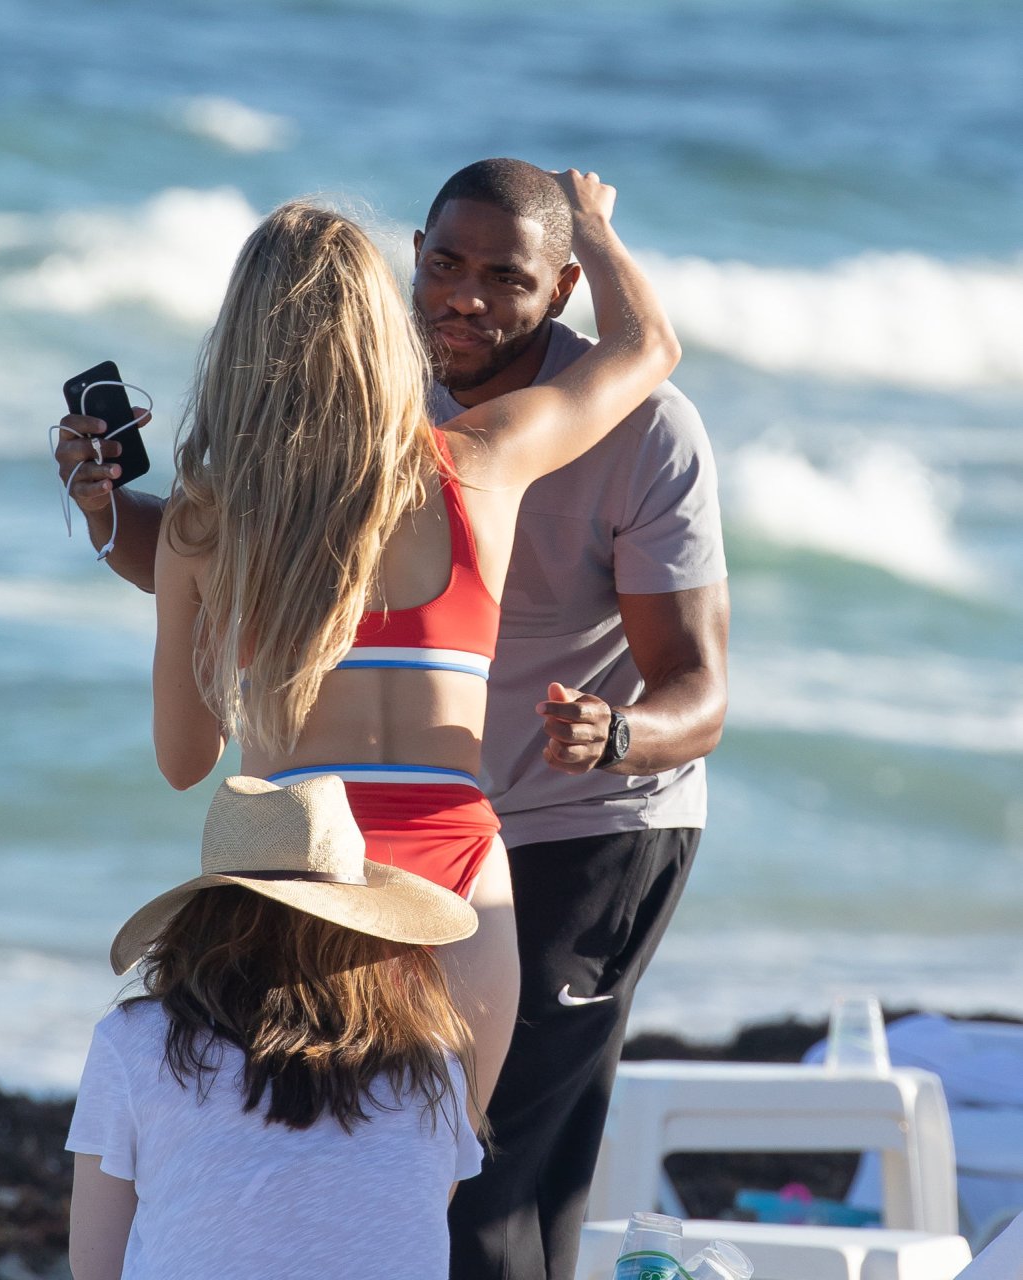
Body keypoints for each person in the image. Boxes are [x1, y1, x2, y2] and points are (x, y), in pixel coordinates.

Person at [55, 159, 727, 1280]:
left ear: (242, 347)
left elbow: (185, 758)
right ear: (386, 326)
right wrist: (594, 234)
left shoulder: (208, 521)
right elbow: (645, 347)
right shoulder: (481, 462)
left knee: (295, 1189)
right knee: (433, 1204)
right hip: (460, 875)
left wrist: (155, 550)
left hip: (298, 876)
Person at [66, 772, 484, 1280]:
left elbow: (96, 1263)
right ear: (367, 929)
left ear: (202, 921)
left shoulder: (137, 1040)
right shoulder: (430, 1057)